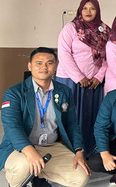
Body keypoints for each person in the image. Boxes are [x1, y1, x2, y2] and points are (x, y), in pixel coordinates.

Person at [0, 47, 90, 187]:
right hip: (20, 147)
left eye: (49, 63)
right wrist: (30, 152)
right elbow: (12, 127)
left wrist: (79, 150)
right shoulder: (14, 93)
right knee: (23, 165)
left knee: (80, 176)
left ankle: (37, 176)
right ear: (30, 66)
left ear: (56, 66)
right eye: (39, 63)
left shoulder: (64, 91)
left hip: (51, 146)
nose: (44, 67)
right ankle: (18, 181)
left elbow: (72, 124)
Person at [57, 0, 111, 154]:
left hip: (94, 83)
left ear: (98, 10)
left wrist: (99, 77)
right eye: (85, 8)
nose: (88, 11)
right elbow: (64, 53)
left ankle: (89, 152)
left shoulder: (105, 30)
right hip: (70, 80)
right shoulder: (71, 28)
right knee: (71, 118)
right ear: (80, 9)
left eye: (92, 8)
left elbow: (109, 57)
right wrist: (79, 77)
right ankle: (69, 153)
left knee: (91, 117)